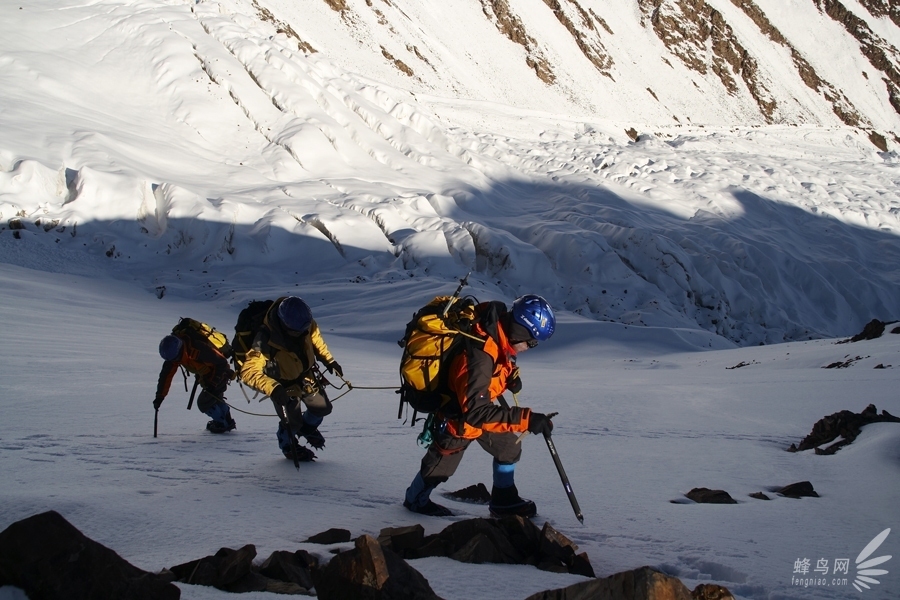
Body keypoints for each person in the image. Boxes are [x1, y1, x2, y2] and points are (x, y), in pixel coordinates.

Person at [403, 294, 556, 518]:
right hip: (459, 417)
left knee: (509, 447)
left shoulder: (496, 329)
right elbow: (475, 412)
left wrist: (509, 376)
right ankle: (414, 501)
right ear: (521, 331)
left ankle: (504, 500)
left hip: (479, 407)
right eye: (532, 342)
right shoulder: (479, 357)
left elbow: (497, 364)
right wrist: (527, 419)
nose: (531, 347)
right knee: (440, 467)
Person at [238, 296, 343, 461]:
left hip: (306, 375)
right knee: (291, 423)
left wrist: (329, 360)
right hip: (282, 385)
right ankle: (287, 445)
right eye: (297, 331)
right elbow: (249, 371)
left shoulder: (304, 323)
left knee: (322, 408)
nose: (302, 332)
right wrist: (273, 388)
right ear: (284, 324)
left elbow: (316, 339)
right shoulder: (264, 339)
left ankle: (307, 429)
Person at [154, 330, 236, 433]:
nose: (175, 361)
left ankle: (222, 424)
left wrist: (213, 383)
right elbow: (166, 376)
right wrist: (159, 397)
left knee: (204, 402)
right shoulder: (174, 355)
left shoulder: (198, 349)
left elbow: (222, 363)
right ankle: (227, 421)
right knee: (215, 398)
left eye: (176, 358)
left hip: (221, 374)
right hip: (207, 376)